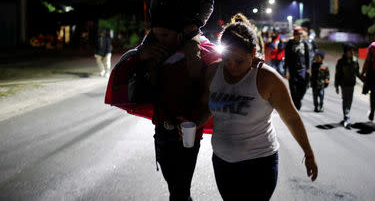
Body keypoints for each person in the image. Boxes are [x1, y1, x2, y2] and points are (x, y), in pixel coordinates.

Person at [194, 22, 318, 201]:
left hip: (259, 164)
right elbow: (209, 107)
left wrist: (308, 153)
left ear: (253, 53)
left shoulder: (268, 79)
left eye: (239, 61)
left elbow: (291, 117)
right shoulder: (213, 71)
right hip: (222, 162)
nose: (232, 66)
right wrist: (194, 123)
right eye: (227, 59)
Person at [105, 24, 220, 201]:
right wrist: (142, 55)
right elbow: (120, 75)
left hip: (188, 135)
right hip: (161, 132)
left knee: (179, 192)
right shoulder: (150, 52)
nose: (160, 40)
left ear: (179, 34)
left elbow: (217, 89)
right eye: (157, 35)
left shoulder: (200, 51)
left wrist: (193, 59)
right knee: (175, 189)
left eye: (165, 34)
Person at [335, 43, 361, 129]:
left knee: (350, 100)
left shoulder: (355, 60)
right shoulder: (341, 62)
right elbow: (337, 74)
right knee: (345, 99)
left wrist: (364, 80)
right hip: (344, 84)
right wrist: (336, 86)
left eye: (353, 50)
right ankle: (346, 116)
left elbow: (357, 72)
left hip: (352, 84)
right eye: (350, 51)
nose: (352, 52)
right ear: (346, 52)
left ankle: (346, 114)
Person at [284, 27, 311, 110]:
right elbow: (287, 58)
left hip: (302, 70)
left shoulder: (305, 43)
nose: (299, 36)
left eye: (300, 34)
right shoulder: (290, 43)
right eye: (297, 35)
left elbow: (308, 57)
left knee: (303, 87)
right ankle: (295, 106)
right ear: (294, 35)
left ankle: (298, 100)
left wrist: (308, 69)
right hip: (292, 70)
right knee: (293, 89)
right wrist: (286, 71)